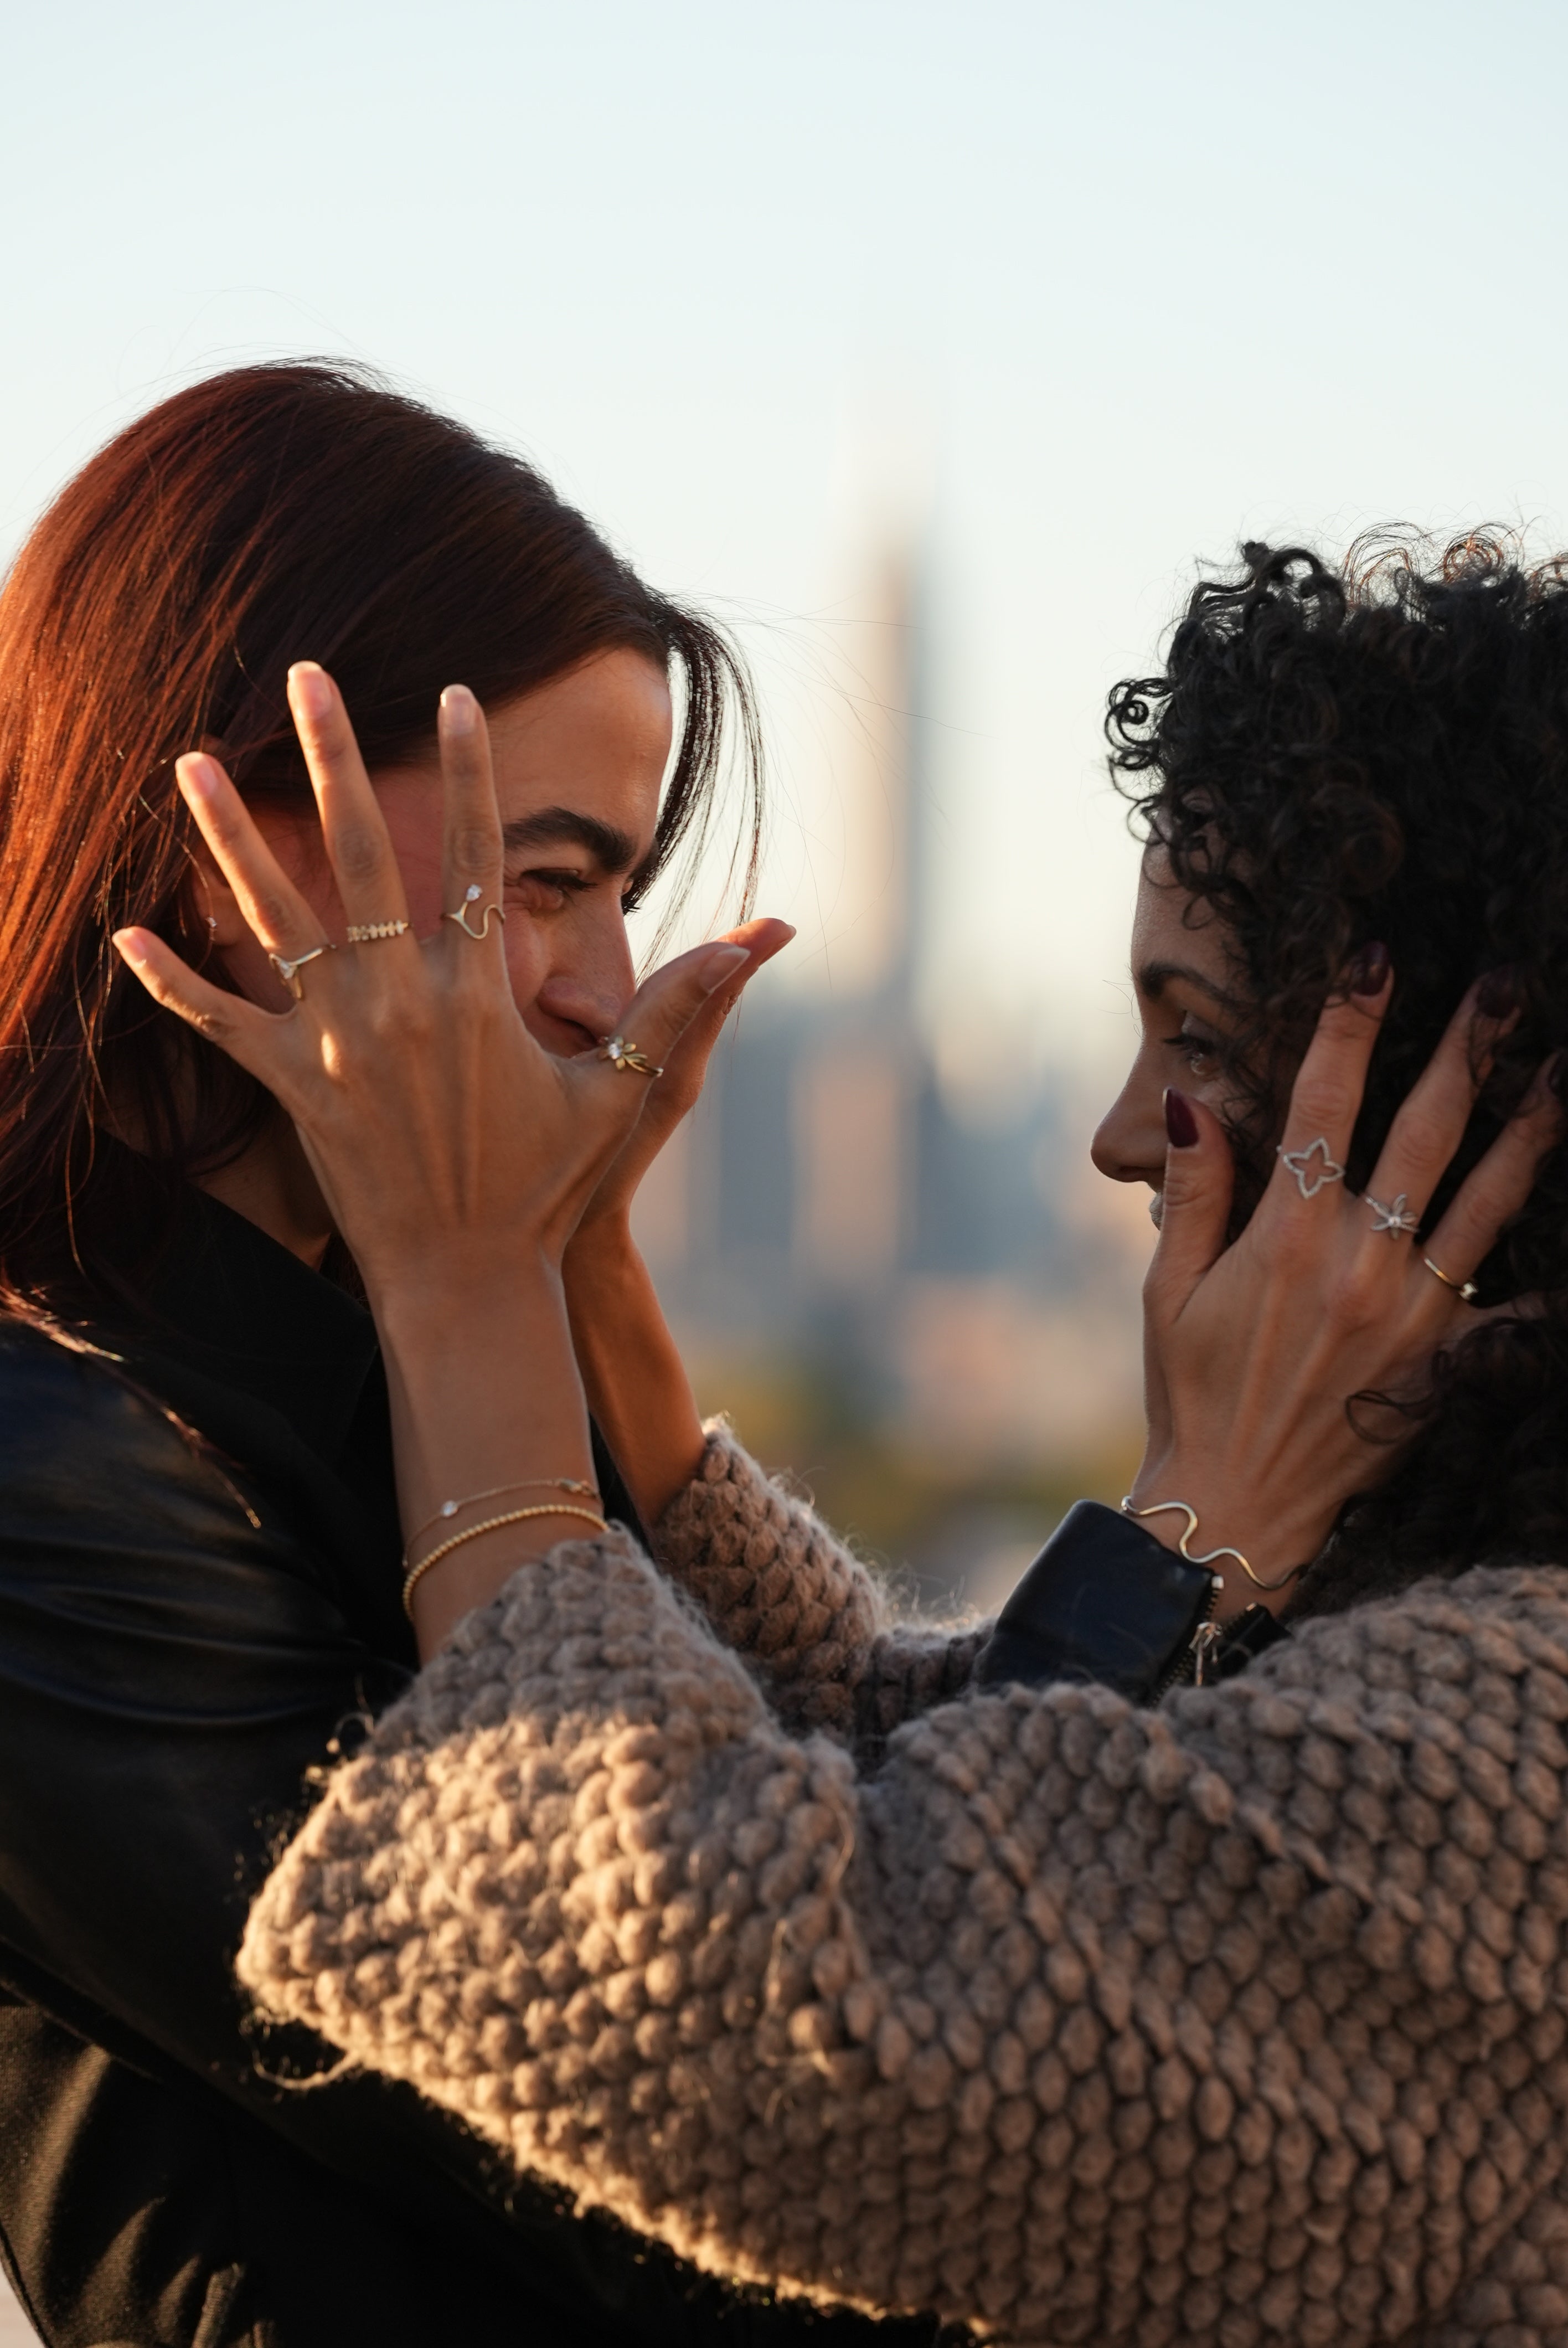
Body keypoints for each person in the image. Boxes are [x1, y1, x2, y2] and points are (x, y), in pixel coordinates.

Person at [176, 529, 1568, 2343]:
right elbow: (984, 1802)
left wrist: (466, 1288)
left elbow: (761, 2000)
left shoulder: (1512, 1745)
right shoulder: (1435, 1611)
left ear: (1428, 1134)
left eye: (1194, 1037)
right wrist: (601, 1308)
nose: (1124, 1134)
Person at [0, 359, 937, 2348]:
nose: (606, 987)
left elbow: (891, 1876)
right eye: (544, 880)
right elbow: (745, 2144)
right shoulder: (51, 1458)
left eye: (621, 896)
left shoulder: (401, 1357)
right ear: (218, 835)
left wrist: (571, 1299)